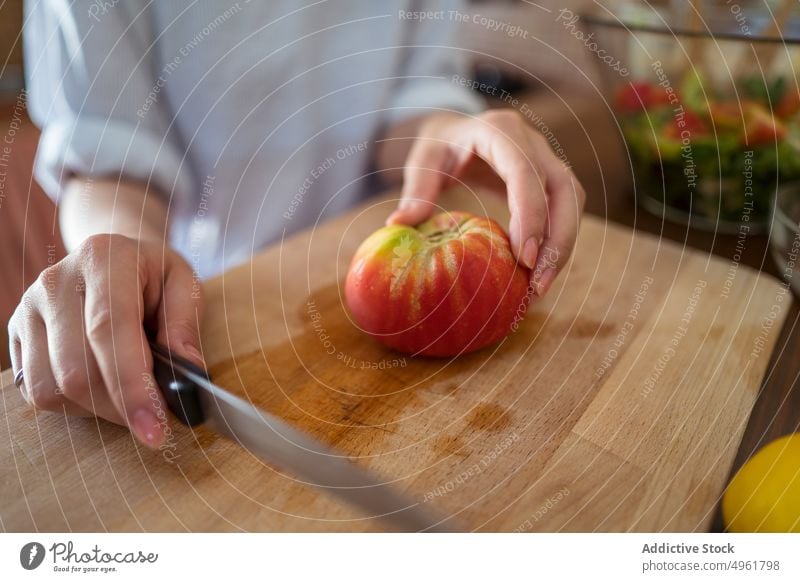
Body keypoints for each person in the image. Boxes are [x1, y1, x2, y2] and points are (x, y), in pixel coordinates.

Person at [9, 1, 585, 448]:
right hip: (205, 305)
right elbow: (111, 152)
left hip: (364, 239)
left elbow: (411, 99)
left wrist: (445, 130)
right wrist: (123, 249)